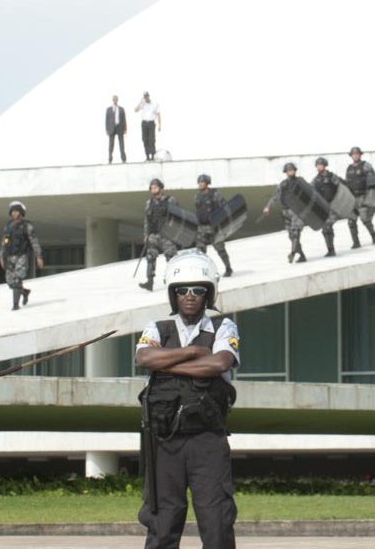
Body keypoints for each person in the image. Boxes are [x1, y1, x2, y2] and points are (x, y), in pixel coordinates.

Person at [136, 250, 239, 549]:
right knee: (162, 522)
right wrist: (194, 353)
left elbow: (219, 363)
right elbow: (144, 356)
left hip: (207, 440)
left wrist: (165, 364)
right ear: (173, 295)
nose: (190, 296)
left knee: (217, 520)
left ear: (209, 294)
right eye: (183, 290)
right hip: (164, 441)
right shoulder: (157, 328)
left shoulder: (224, 327)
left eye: (198, 290)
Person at [0, 201, 44, 311]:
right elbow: (4, 242)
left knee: (17, 280)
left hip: (22, 256)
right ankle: (24, 292)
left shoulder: (27, 226)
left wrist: (39, 257)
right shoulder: (8, 226)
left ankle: (15, 305)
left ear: (21, 212)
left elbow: (34, 242)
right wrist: (1, 256)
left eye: (16, 211)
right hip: (10, 257)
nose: (14, 213)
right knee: (10, 283)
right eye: (12, 211)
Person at [262, 162, 307, 263]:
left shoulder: (301, 182)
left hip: (297, 211)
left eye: (291, 170)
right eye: (288, 170)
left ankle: (292, 253)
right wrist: (267, 207)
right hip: (286, 212)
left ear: (294, 170)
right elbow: (275, 197)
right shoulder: (283, 184)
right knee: (291, 236)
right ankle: (302, 255)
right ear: (286, 172)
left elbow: (309, 194)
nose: (290, 172)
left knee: (296, 233)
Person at [140, 179, 178, 291]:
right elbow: (147, 220)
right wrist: (146, 234)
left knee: (171, 258)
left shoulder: (170, 200)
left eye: (155, 187)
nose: (153, 189)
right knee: (150, 257)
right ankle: (149, 282)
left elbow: (177, 217)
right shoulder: (149, 203)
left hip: (167, 235)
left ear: (161, 188)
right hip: (154, 235)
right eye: (151, 187)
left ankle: (173, 280)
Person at [194, 173, 233, 277]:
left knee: (220, 249)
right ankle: (203, 271)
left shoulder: (215, 194)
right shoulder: (197, 196)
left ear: (207, 183)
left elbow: (224, 208)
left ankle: (228, 268)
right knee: (200, 251)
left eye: (202, 182)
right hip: (202, 227)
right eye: (199, 182)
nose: (200, 184)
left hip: (214, 227)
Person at [344, 147, 375, 248]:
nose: (355, 155)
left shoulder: (366, 166)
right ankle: (356, 242)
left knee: (365, 219)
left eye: (357, 154)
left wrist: (371, 196)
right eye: (353, 154)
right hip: (352, 199)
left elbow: (374, 180)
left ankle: (373, 235)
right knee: (351, 221)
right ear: (351, 156)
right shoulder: (349, 168)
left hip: (363, 197)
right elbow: (347, 183)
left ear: (360, 155)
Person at [312, 157, 344, 257]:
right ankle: (330, 250)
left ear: (325, 165)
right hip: (324, 208)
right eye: (317, 165)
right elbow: (310, 190)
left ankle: (331, 250)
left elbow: (341, 186)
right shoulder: (315, 180)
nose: (319, 166)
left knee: (327, 226)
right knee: (325, 229)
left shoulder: (331, 176)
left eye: (321, 165)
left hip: (334, 206)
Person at [134, 91, 161, 161]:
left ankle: (152, 155)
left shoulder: (155, 104)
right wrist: (140, 102)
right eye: (145, 97)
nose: (146, 98)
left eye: (147, 96)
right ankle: (147, 156)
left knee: (152, 139)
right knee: (144, 139)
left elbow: (158, 114)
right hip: (144, 123)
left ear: (149, 96)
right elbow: (135, 110)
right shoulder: (142, 104)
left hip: (151, 123)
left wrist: (159, 125)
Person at [105, 94, 127, 164]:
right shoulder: (108, 109)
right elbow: (106, 120)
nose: (115, 100)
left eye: (116, 99)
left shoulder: (121, 109)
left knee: (121, 144)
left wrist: (125, 128)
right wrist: (106, 129)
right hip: (111, 128)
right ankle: (110, 159)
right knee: (111, 144)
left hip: (119, 127)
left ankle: (123, 159)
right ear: (112, 100)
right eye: (114, 99)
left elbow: (124, 119)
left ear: (117, 100)